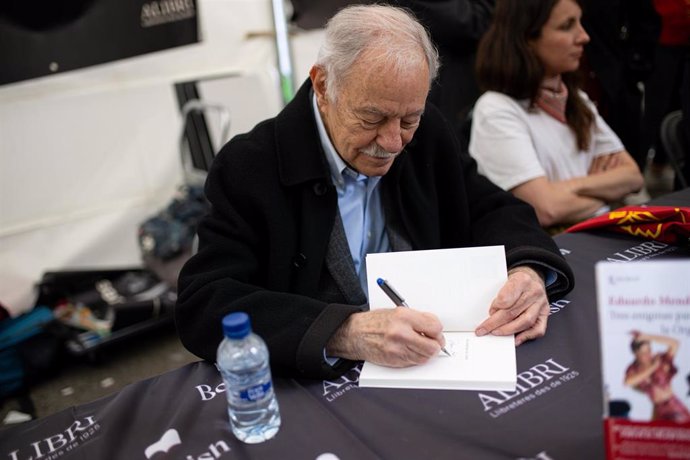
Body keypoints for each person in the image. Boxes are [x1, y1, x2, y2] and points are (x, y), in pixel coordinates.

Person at [175, 4, 574, 380]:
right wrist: (343, 331)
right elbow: (205, 301)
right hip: (316, 388)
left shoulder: (427, 133)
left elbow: (491, 207)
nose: (393, 141)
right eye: (371, 117)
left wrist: (528, 271)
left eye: (408, 119)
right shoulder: (251, 165)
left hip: (430, 364)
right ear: (322, 85)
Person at [469, 0, 645, 229]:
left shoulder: (576, 99)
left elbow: (633, 177)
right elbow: (545, 210)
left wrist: (567, 188)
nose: (584, 37)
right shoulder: (497, 110)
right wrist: (606, 192)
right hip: (546, 255)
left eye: (580, 23)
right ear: (527, 38)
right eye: (567, 26)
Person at [625, 331, 690, 423]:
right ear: (636, 354)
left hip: (672, 406)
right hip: (657, 409)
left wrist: (647, 336)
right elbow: (628, 382)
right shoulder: (633, 368)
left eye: (649, 350)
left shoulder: (660, 359)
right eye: (643, 353)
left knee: (679, 433)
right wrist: (652, 367)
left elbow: (675, 344)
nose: (648, 355)